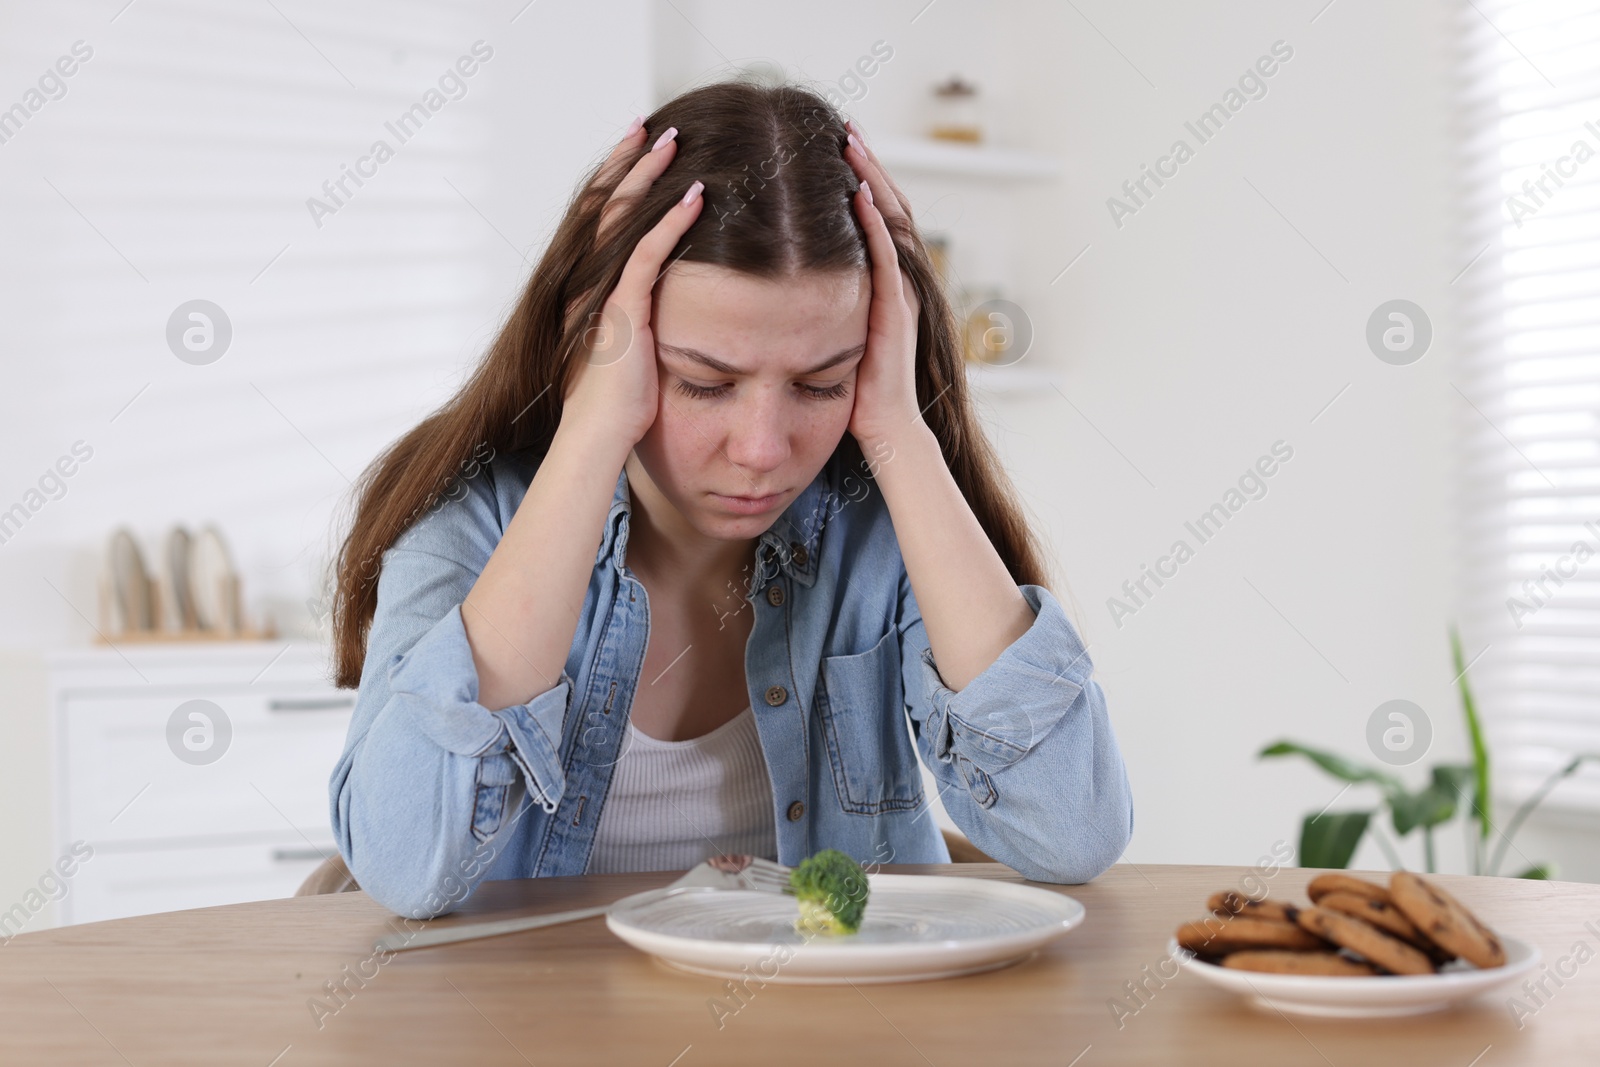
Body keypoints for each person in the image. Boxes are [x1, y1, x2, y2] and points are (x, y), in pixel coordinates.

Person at [324, 80, 1133, 919]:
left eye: (822, 384)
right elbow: (406, 866)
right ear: (603, 346)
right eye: (703, 383)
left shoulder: (878, 531)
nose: (761, 449)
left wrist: (901, 430)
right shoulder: (470, 520)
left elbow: (1072, 834)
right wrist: (589, 435)